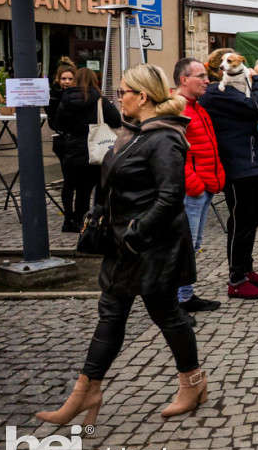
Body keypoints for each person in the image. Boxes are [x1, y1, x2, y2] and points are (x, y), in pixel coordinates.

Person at [37, 65, 206, 427]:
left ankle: (192, 383)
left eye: (123, 91)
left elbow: (170, 196)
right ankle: (86, 391)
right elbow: (110, 180)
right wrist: (98, 214)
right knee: (111, 314)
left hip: (150, 246)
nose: (118, 98)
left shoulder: (164, 136)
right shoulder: (132, 132)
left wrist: (136, 233)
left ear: (142, 96)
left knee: (166, 315)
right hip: (122, 244)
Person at [200, 48, 258, 299]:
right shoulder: (217, 92)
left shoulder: (231, 90)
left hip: (248, 162)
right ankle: (236, 278)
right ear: (219, 68)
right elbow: (254, 106)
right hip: (236, 166)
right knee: (240, 221)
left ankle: (246, 268)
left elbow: (257, 109)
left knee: (252, 218)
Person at [173, 58, 225, 314]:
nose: (207, 80)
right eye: (201, 76)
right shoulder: (178, 109)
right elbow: (174, 154)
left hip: (203, 187)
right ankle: (176, 303)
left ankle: (186, 296)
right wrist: (194, 184)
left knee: (192, 245)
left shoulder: (197, 107)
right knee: (184, 246)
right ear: (184, 80)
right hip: (194, 189)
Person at [54, 67, 122, 232]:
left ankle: (74, 220)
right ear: (94, 81)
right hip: (95, 149)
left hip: (72, 148)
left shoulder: (66, 98)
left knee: (74, 187)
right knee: (95, 187)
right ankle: (92, 221)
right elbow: (116, 121)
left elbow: (58, 124)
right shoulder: (99, 100)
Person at [47, 61, 76, 229]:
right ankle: (68, 217)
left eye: (70, 78)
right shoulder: (54, 95)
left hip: (77, 140)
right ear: (58, 79)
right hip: (63, 140)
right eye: (63, 78)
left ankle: (76, 216)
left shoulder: (79, 93)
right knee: (68, 181)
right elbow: (55, 120)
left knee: (78, 182)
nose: (66, 82)